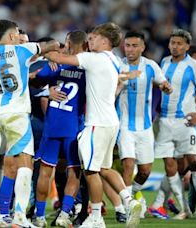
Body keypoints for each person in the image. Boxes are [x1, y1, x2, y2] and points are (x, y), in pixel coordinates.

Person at [44, 22, 142, 228]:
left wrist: (46, 50)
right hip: (111, 122)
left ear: (105, 41)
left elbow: (59, 58)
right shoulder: (114, 60)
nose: (90, 41)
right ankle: (129, 200)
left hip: (96, 124)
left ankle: (96, 217)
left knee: (90, 171)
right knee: (104, 168)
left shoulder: (93, 59)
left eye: (94, 38)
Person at [0, 19, 59, 228]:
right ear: (12, 36)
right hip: (17, 114)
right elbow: (52, 44)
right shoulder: (22, 50)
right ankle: (19, 217)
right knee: (25, 163)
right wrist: (45, 52)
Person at [152, 29, 196, 221]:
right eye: (172, 43)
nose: (175, 46)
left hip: (185, 121)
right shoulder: (164, 62)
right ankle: (184, 208)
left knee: (194, 161)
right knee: (170, 166)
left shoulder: (193, 66)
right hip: (165, 121)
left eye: (179, 43)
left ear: (186, 46)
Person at [33, 30, 87, 228]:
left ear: (69, 43)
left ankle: (39, 216)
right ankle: (65, 213)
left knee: (46, 171)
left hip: (52, 124)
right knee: (74, 173)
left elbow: (34, 80)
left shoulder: (56, 64)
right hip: (73, 126)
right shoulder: (88, 67)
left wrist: (48, 89)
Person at [116, 30, 172, 218]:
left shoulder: (151, 66)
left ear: (142, 47)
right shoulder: (117, 65)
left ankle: (131, 194)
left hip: (146, 126)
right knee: (128, 165)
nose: (130, 49)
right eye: (127, 45)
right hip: (124, 125)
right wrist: (121, 80)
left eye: (134, 46)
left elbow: (163, 82)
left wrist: (166, 86)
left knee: (145, 170)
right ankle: (128, 207)